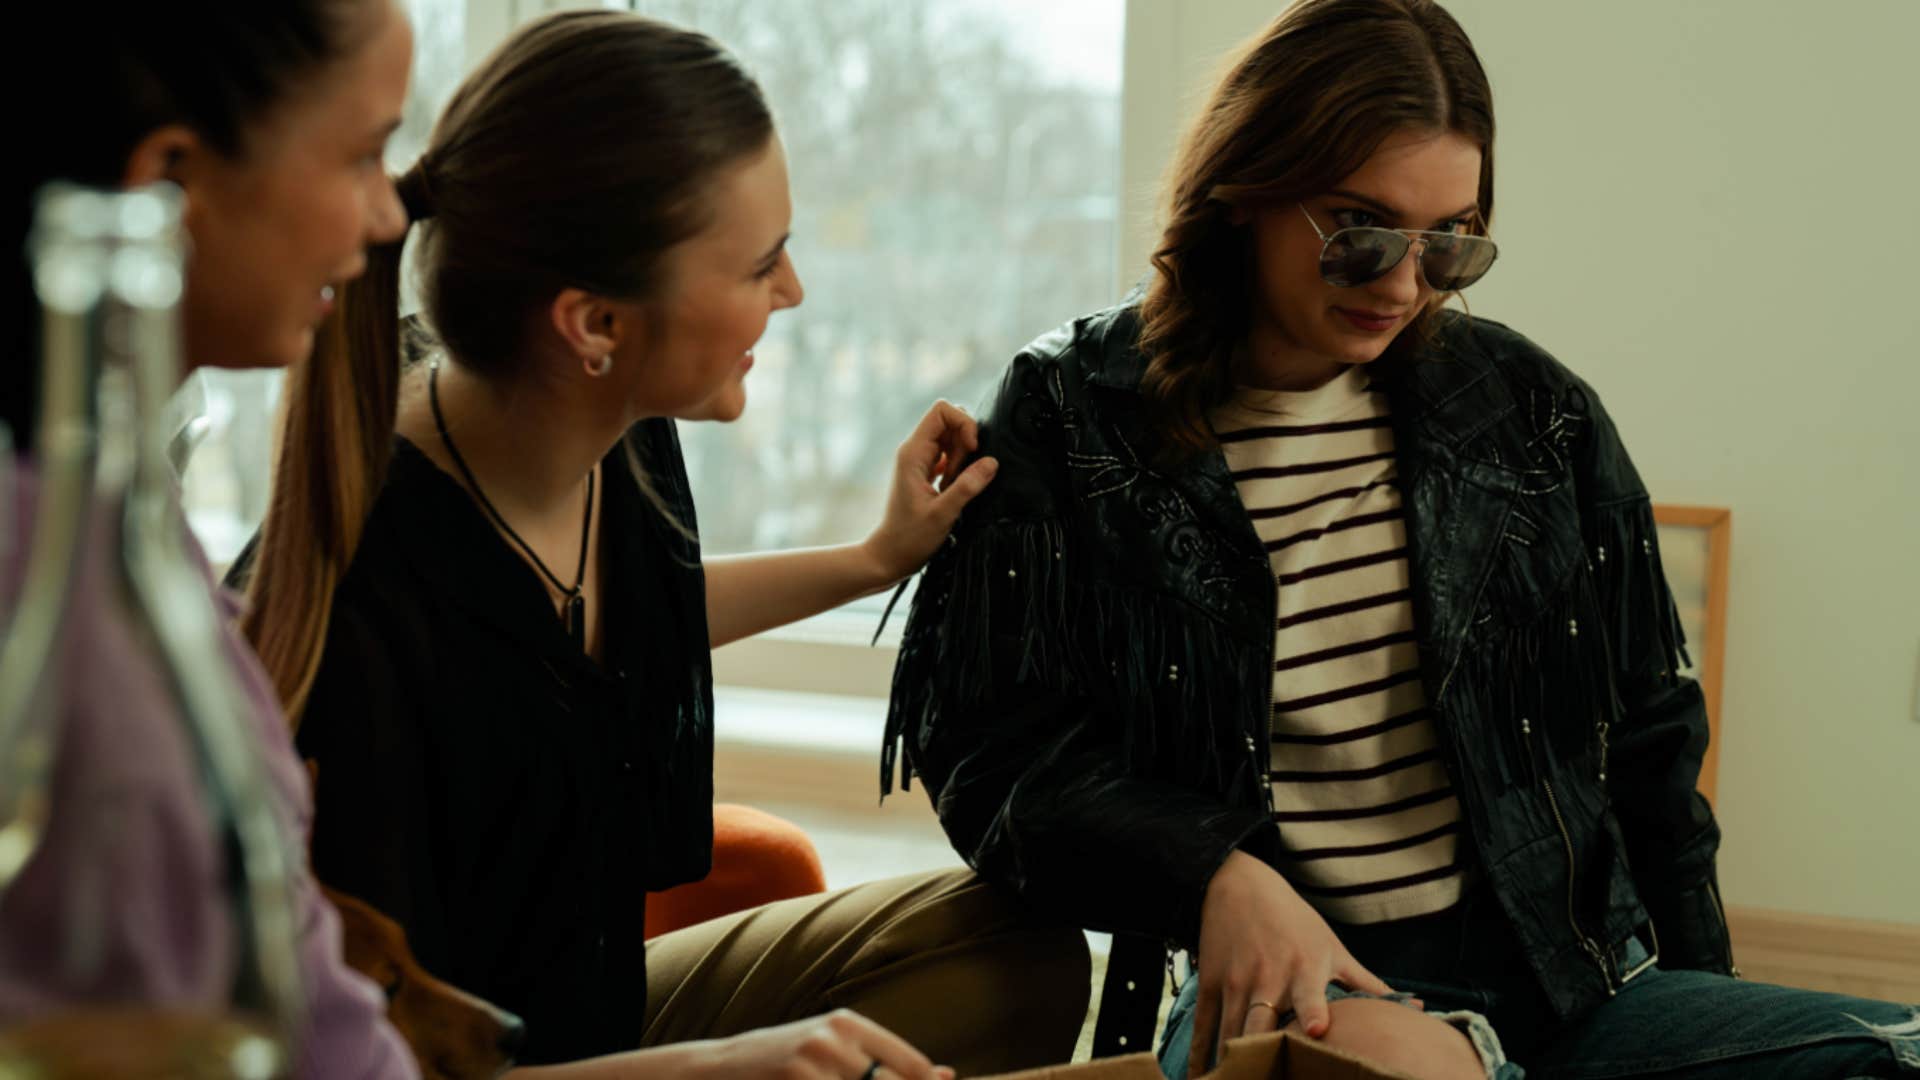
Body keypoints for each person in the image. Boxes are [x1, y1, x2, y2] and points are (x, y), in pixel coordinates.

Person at [882, 1, 1920, 1077]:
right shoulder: (1074, 411)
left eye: (1451, 242)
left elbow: (1653, 742)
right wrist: (1215, 872)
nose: (1402, 284)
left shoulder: (1527, 410)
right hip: (1308, 983)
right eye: (1360, 231)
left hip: (1566, 977)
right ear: (1245, 189)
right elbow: (992, 754)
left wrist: (1707, 1005)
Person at [238, 11, 1090, 1076]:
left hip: (596, 1008)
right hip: (472, 1064)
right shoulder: (368, 629)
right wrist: (712, 1068)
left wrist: (877, 559)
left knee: (1015, 948)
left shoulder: (613, 434)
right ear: (594, 324)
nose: (792, 292)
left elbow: (606, 623)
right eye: (760, 264)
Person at [1, 3, 420, 1076]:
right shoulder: (52, 573)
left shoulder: (111, 513)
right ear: (169, 183)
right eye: (365, 153)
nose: (388, 215)